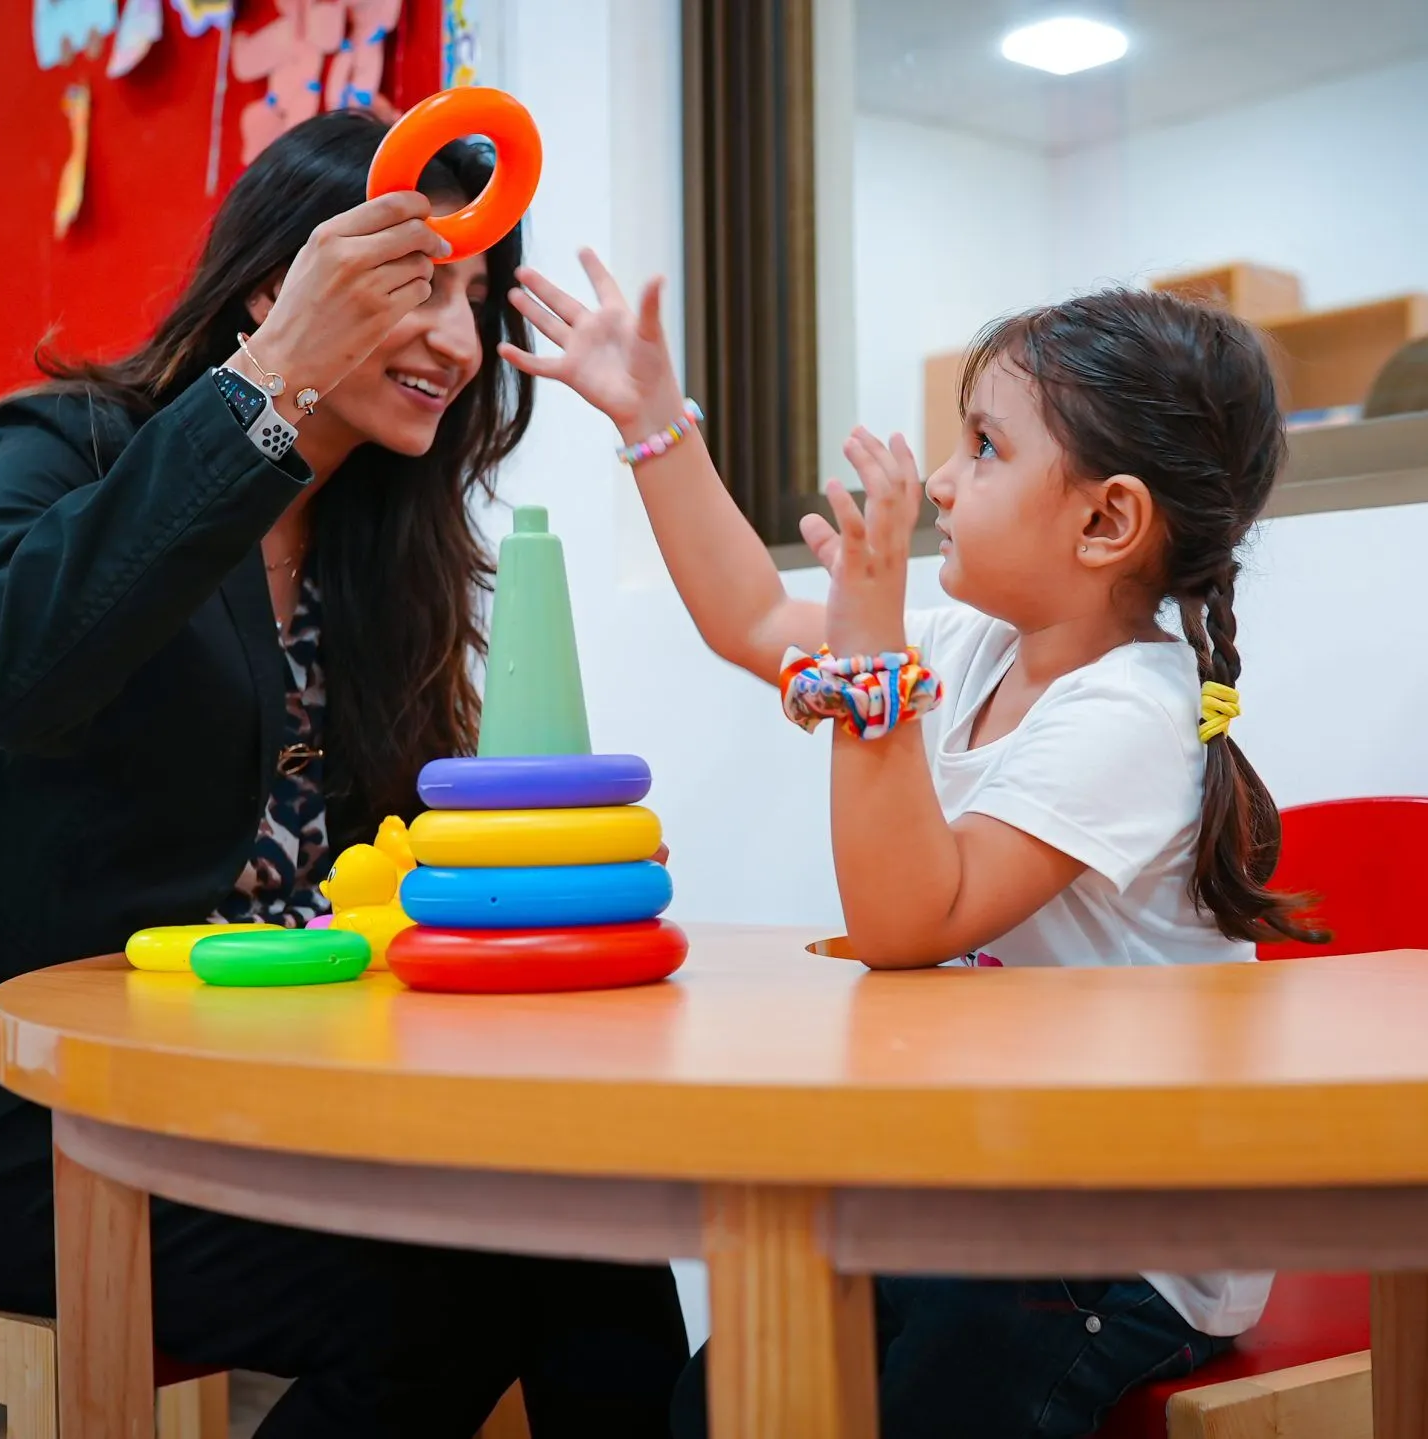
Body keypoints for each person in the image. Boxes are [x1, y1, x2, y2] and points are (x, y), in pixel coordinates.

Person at [0, 113, 686, 1438]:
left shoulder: (381, 547)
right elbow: (4, 674)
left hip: (253, 1106)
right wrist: (262, 393)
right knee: (451, 1296)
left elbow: (386, 874)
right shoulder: (73, 441)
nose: (459, 343)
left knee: (595, 1238)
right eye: (419, 286)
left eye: (474, 300)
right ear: (280, 285)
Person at [506, 253, 1323, 1437]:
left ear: (1106, 520)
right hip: (992, 1196)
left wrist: (874, 662)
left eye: (984, 449)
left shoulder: (1132, 718)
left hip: (1126, 1245)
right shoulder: (987, 646)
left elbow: (905, 922)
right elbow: (745, 617)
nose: (942, 479)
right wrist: (652, 422)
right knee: (717, 1396)